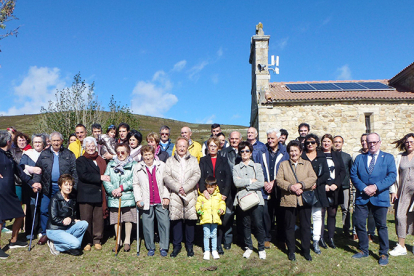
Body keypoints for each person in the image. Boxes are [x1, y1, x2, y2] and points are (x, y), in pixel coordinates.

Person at [350, 133, 396, 266]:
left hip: (380, 196)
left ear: (380, 142)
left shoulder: (388, 158)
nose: (372, 144)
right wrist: (364, 188)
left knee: (381, 225)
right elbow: (353, 174)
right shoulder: (360, 158)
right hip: (362, 196)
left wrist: (376, 186)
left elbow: (392, 176)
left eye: (375, 142)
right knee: (359, 223)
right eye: (369, 142)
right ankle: (364, 249)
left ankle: (383, 253)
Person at [0, 130, 40, 260]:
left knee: (19, 215)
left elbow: (19, 172)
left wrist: (31, 183)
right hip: (1, 191)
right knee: (1, 220)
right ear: (8, 141)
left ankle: (14, 241)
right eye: (11, 140)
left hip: (9, 191)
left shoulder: (8, 154)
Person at [33, 131, 78, 246]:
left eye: (58, 140)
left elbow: (74, 172)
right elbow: (38, 170)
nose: (56, 142)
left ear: (62, 141)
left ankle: (61, 232)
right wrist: (36, 182)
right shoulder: (44, 154)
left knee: (61, 211)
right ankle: (45, 233)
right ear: (50, 141)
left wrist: (74, 187)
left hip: (63, 189)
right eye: (54, 140)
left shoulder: (69, 154)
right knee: (44, 210)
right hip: (47, 187)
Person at [276, 140, 317, 261]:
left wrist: (301, 185)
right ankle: (291, 251)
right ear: (288, 152)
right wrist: (291, 187)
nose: (293, 153)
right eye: (291, 151)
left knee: (305, 226)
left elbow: (313, 177)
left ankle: (306, 250)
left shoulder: (307, 164)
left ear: (300, 152)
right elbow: (279, 180)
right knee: (289, 226)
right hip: (289, 199)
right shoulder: (284, 164)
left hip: (304, 199)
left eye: (296, 150)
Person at [164, 137, 201, 258]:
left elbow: (197, 174)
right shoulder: (170, 160)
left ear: (187, 147)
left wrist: (185, 187)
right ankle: (177, 246)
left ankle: (189, 246)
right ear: (176, 146)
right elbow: (166, 176)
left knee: (190, 220)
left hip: (189, 193)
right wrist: (177, 187)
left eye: (184, 146)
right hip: (175, 193)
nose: (181, 148)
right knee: (176, 220)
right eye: (179, 146)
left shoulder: (193, 160)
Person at [133, 145, 170, 257]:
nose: (148, 157)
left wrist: (166, 196)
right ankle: (150, 247)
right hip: (146, 201)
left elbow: (167, 182)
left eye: (149, 154)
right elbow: (136, 184)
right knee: (147, 225)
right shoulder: (138, 167)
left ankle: (164, 246)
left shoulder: (162, 165)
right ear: (142, 156)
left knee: (164, 223)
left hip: (160, 199)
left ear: (154, 154)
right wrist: (138, 199)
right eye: (145, 155)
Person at [233, 141, 266, 259]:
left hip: (256, 199)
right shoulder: (236, 168)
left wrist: (244, 183)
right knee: (245, 224)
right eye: (242, 151)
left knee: (258, 224)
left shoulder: (257, 166)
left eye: (247, 151)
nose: (244, 153)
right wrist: (250, 181)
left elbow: (261, 182)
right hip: (243, 200)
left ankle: (261, 248)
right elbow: (236, 183)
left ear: (251, 153)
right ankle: (249, 247)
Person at [199, 137, 232, 255]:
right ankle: (207, 245)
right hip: (208, 193)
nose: (212, 148)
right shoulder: (203, 160)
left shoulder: (223, 159)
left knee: (219, 219)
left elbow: (228, 177)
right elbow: (201, 176)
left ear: (218, 147)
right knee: (208, 219)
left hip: (220, 194)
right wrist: (203, 190)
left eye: (215, 146)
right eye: (210, 146)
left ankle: (218, 245)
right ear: (208, 147)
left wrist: (225, 193)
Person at [103, 143, 137, 252]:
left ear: (128, 153)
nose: (120, 154)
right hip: (114, 196)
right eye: (118, 152)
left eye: (123, 152)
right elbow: (106, 178)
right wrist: (112, 190)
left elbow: (134, 180)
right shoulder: (111, 164)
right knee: (116, 220)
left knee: (128, 219)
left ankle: (127, 241)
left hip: (127, 195)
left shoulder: (133, 164)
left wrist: (121, 188)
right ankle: (118, 241)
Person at [76, 137, 108, 251]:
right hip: (86, 193)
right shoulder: (81, 160)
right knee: (86, 219)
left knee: (98, 218)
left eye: (93, 145)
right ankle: (87, 241)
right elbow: (83, 175)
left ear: (96, 147)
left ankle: (97, 239)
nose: (91, 148)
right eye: (88, 146)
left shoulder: (101, 160)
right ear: (84, 147)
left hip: (99, 192)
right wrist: (100, 177)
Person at [259, 128, 289, 249]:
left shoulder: (285, 152)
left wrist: (275, 182)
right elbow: (258, 168)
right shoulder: (262, 151)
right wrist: (265, 182)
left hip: (279, 188)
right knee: (266, 215)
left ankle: (281, 238)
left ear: (278, 139)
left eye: (272, 138)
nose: (270, 141)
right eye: (268, 138)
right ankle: (267, 237)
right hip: (265, 188)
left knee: (280, 214)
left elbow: (286, 169)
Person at [301, 133, 330, 254]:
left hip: (318, 190)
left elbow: (326, 174)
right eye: (307, 143)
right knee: (305, 217)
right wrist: (307, 184)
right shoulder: (302, 156)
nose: (310, 145)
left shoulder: (322, 156)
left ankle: (316, 240)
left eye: (312, 142)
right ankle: (306, 240)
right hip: (305, 190)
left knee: (318, 216)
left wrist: (316, 183)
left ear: (316, 143)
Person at [46, 174, 88, 256]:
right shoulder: (55, 199)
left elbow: (72, 216)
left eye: (70, 185)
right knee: (76, 243)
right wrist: (64, 221)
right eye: (65, 185)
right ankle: (55, 245)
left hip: (67, 228)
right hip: (55, 229)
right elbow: (53, 218)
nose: (68, 187)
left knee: (84, 223)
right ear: (60, 186)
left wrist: (73, 220)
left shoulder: (72, 199)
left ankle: (72, 246)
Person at [389, 133, 414, 256]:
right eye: (407, 142)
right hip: (403, 191)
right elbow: (394, 175)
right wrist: (393, 190)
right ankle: (401, 246)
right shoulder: (400, 157)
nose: (409, 144)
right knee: (400, 216)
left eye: (412, 142)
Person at [320, 134, 346, 249]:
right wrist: (323, 185)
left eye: (328, 141)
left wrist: (336, 184)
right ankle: (320, 237)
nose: (326, 143)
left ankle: (330, 238)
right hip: (322, 188)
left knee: (332, 213)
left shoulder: (336, 155)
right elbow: (315, 171)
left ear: (331, 143)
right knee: (320, 213)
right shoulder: (318, 154)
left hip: (335, 188)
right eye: (324, 141)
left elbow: (342, 171)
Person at [20, 134, 46, 239]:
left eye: (39, 142)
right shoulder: (27, 154)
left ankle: (40, 229)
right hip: (30, 185)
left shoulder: (46, 154)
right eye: (35, 142)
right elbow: (21, 167)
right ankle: (29, 231)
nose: (37, 144)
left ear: (43, 143)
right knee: (31, 207)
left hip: (44, 184)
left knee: (42, 207)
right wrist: (32, 169)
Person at [219, 131, 242, 249]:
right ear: (229, 139)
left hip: (242, 188)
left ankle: (241, 238)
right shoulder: (223, 153)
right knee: (228, 214)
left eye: (236, 138)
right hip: (228, 188)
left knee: (242, 215)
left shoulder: (245, 151)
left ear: (240, 139)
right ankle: (227, 239)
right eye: (232, 138)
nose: (234, 140)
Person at [352, 133, 376, 242]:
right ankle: (356, 231)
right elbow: (354, 173)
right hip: (359, 187)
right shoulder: (356, 156)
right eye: (362, 140)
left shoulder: (376, 155)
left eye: (366, 140)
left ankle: (371, 233)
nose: (364, 142)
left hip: (373, 189)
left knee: (371, 213)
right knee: (357, 212)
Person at [196, 176, 226, 260]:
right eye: (208, 187)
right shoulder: (202, 196)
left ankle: (214, 250)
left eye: (212, 187)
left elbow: (222, 203)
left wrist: (222, 209)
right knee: (206, 235)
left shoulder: (218, 195)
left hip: (215, 218)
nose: (210, 189)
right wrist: (198, 209)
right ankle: (206, 251)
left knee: (213, 235)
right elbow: (198, 203)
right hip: (205, 218)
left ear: (215, 186)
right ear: (206, 186)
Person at [333, 135, 354, 237]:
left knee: (345, 208)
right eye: (335, 142)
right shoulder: (330, 155)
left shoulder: (347, 157)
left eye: (339, 142)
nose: (337, 143)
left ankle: (346, 229)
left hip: (344, 186)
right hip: (333, 187)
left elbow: (351, 171)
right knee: (332, 208)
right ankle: (331, 229)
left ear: (342, 143)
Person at [10, 132, 32, 203]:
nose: (22, 142)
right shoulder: (12, 151)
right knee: (18, 200)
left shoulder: (31, 151)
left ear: (27, 141)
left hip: (29, 181)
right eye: (20, 140)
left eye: (23, 140)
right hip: (17, 181)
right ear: (16, 141)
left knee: (28, 202)